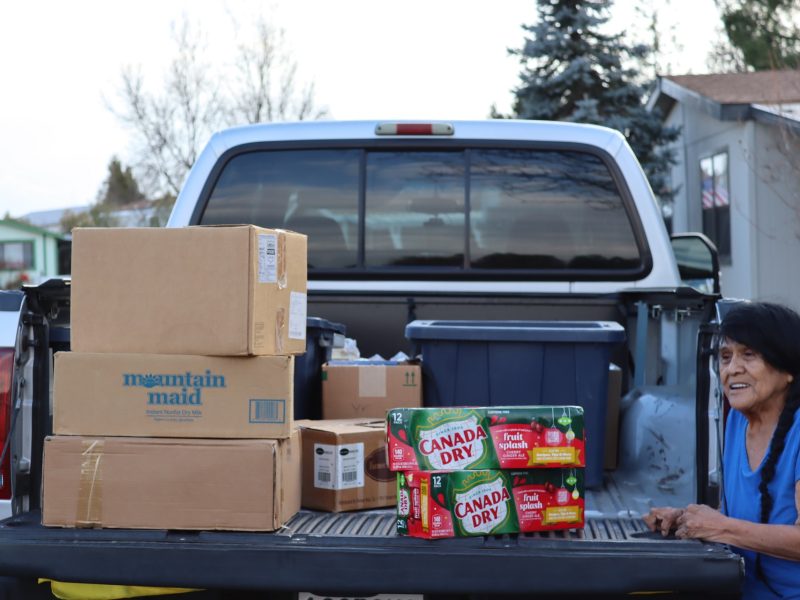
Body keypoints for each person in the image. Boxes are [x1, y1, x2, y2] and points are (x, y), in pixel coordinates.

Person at [644, 301, 800, 599]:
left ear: (788, 369)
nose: (732, 369)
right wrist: (687, 520)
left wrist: (720, 527)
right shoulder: (737, 421)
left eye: (748, 355)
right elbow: (741, 518)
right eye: (725, 357)